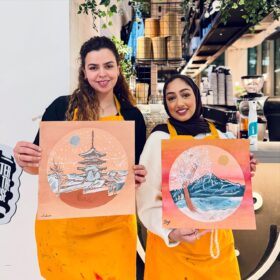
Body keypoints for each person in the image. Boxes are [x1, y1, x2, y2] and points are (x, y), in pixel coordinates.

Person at [13, 36, 147, 280]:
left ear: (118, 68)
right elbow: (37, 167)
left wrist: (137, 177)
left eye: (108, 65)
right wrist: (25, 159)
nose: (102, 74)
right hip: (64, 227)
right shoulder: (61, 108)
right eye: (93, 67)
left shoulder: (132, 116)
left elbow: (132, 173)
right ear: (84, 72)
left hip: (113, 227)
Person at [136, 74, 257, 280]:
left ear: (197, 97)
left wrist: (244, 172)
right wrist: (172, 233)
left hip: (216, 250)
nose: (179, 103)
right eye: (171, 98)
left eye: (185, 95)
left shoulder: (219, 135)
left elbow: (227, 189)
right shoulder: (159, 139)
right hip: (173, 254)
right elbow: (146, 201)